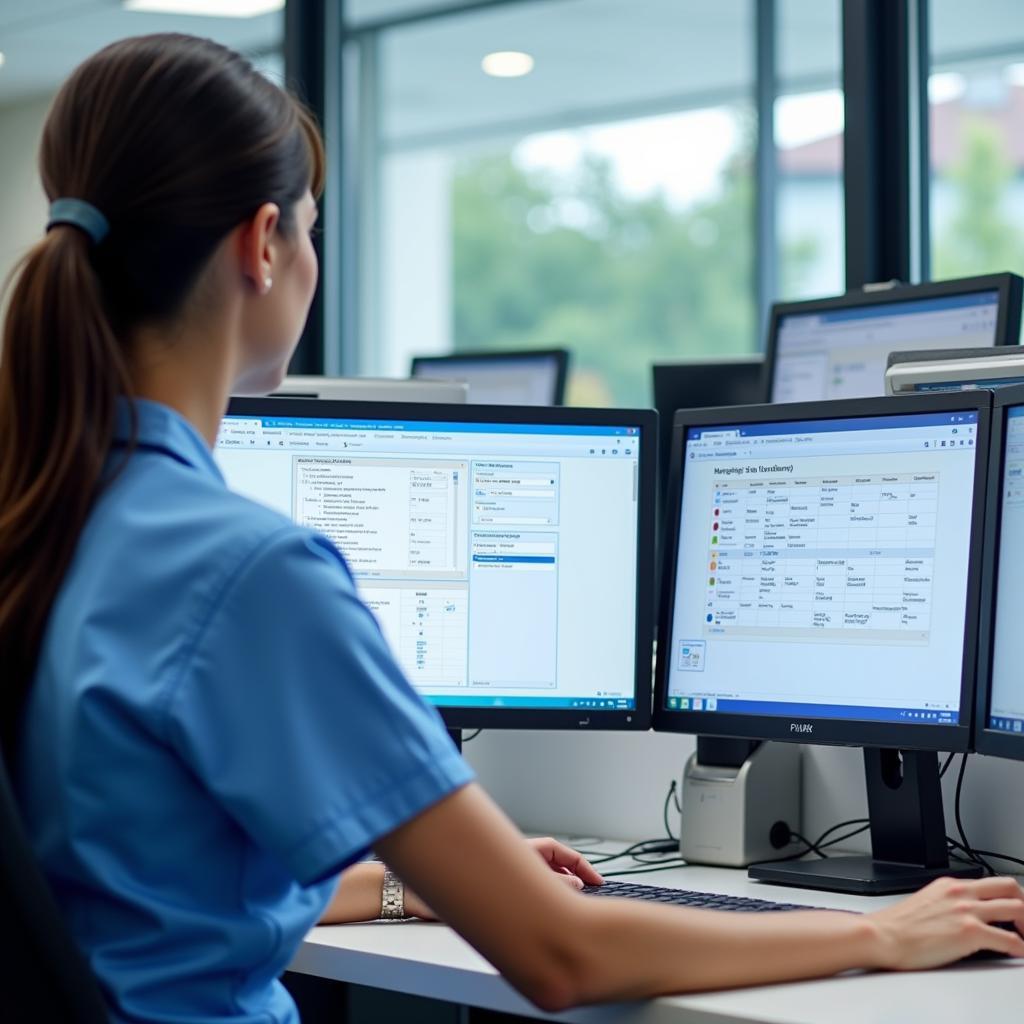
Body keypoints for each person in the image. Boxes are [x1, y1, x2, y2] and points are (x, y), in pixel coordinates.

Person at [1, 32, 1022, 1024]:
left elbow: (156, 877)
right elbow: (560, 955)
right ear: (261, 246)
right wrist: (880, 934)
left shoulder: (51, 518)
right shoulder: (242, 572)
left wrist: (423, 882)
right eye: (313, 227)